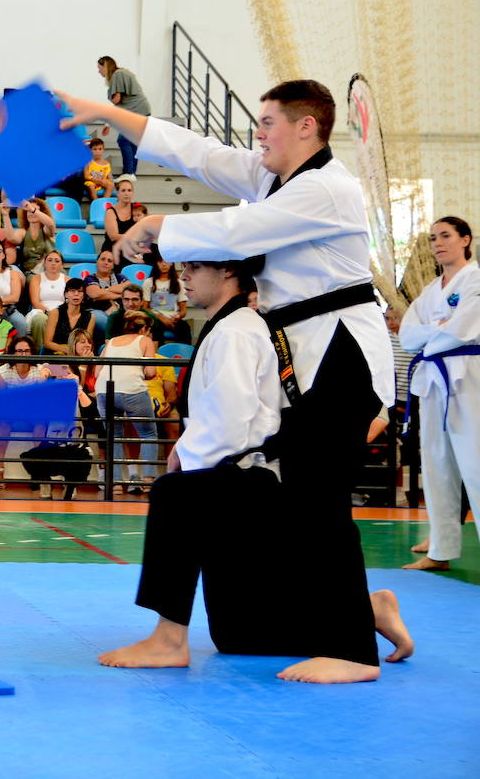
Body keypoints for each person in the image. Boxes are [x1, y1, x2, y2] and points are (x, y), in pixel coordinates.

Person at [71, 78, 395, 683]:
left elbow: (240, 235)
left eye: (268, 122)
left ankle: (353, 651)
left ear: (306, 127)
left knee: (321, 503)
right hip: (306, 356)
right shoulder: (279, 179)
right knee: (300, 505)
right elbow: (200, 154)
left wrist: (157, 227)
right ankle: (360, 611)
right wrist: (107, 112)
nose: (257, 133)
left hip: (343, 357)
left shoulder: (329, 188)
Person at [98, 257, 413, 678]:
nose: (185, 277)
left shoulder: (239, 330)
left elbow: (233, 421)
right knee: (237, 636)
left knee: (174, 493)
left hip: (254, 479)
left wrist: (187, 459)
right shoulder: (230, 326)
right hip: (240, 478)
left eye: (196, 267)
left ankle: (168, 638)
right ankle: (366, 610)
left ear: (229, 272)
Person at [399, 216, 480, 572]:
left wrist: (432, 335)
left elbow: (464, 328)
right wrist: (438, 329)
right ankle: (441, 550)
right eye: (433, 238)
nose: (437, 243)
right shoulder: (431, 289)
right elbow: (406, 335)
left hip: (468, 378)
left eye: (445, 236)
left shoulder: (476, 280)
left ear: (466, 240)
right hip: (433, 380)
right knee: (436, 464)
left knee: (476, 465)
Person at [95, 311, 160, 487]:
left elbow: (96, 372)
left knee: (114, 436)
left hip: (103, 390)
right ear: (145, 328)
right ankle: (147, 480)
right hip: (131, 390)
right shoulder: (145, 340)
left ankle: (115, 483)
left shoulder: (112, 342)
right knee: (148, 434)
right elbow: (151, 372)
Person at [96, 56, 150, 176]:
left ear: (105, 66)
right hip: (140, 111)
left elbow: (116, 100)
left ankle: (129, 172)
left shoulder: (117, 75)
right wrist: (108, 123)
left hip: (136, 111)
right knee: (132, 142)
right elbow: (121, 104)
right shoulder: (121, 73)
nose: (99, 72)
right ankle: (131, 174)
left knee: (123, 140)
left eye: (100, 68)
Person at [26, 250, 69, 346]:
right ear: (44, 263)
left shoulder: (67, 280)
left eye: (57, 261)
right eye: (50, 260)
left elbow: (69, 302)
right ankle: (41, 353)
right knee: (40, 319)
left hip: (61, 312)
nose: (53, 263)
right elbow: (35, 301)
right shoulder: (36, 278)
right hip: (41, 312)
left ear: (62, 265)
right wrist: (49, 312)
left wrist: (57, 314)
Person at [145, 258, 192, 344]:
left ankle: (184, 354)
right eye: (160, 262)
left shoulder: (179, 283)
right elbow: (145, 308)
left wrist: (178, 316)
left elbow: (183, 311)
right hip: (155, 318)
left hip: (173, 319)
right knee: (156, 327)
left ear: (171, 264)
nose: (163, 264)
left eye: (166, 261)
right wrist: (162, 318)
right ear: (156, 264)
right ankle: (156, 354)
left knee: (185, 327)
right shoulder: (149, 282)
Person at [44, 277, 94, 354]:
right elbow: (47, 343)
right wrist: (67, 350)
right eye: (72, 291)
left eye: (80, 291)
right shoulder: (55, 313)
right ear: (66, 294)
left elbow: (88, 343)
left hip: (78, 356)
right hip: (55, 355)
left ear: (84, 295)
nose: (76, 294)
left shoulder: (90, 317)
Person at [8, 199, 57, 274]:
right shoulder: (23, 231)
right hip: (30, 273)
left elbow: (50, 224)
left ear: (42, 213)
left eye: (35, 210)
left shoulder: (46, 230)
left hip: (51, 272)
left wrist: (32, 209)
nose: (31, 212)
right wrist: (5, 215)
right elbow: (11, 238)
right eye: (28, 211)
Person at [100, 175, 139, 260]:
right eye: (123, 190)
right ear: (117, 193)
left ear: (132, 193)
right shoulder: (110, 211)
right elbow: (113, 236)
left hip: (132, 245)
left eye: (129, 190)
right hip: (113, 246)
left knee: (155, 250)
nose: (126, 193)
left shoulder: (137, 208)